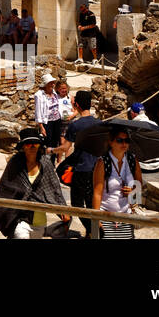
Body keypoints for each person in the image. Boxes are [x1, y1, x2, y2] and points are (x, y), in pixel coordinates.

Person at [0, 128, 69, 238]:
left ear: (39, 146)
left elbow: (54, 189)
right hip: (19, 218)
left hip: (40, 221)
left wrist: (62, 208)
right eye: (28, 144)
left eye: (35, 144)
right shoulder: (15, 163)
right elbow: (5, 187)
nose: (32, 146)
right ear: (23, 146)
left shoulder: (45, 163)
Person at [53, 88, 102, 237]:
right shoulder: (99, 123)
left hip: (82, 169)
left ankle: (96, 230)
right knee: (92, 203)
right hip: (97, 169)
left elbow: (65, 147)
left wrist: (50, 150)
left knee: (77, 205)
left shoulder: (76, 125)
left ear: (78, 106)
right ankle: (91, 231)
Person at [92, 123, 143, 238]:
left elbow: (139, 187)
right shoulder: (103, 162)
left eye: (127, 140)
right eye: (119, 140)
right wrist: (96, 219)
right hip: (106, 216)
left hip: (126, 216)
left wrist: (132, 192)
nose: (124, 144)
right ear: (111, 142)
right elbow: (97, 193)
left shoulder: (132, 160)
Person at [127, 103, 159, 172]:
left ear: (132, 113)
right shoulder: (154, 124)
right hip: (157, 165)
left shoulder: (132, 127)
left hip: (143, 166)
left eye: (130, 112)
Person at [35, 73, 63, 149]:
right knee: (47, 143)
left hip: (57, 120)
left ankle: (52, 160)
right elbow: (38, 111)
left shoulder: (54, 93)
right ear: (45, 84)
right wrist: (41, 127)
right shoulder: (39, 95)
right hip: (47, 122)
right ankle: (46, 160)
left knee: (55, 142)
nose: (52, 84)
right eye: (50, 83)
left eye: (53, 83)